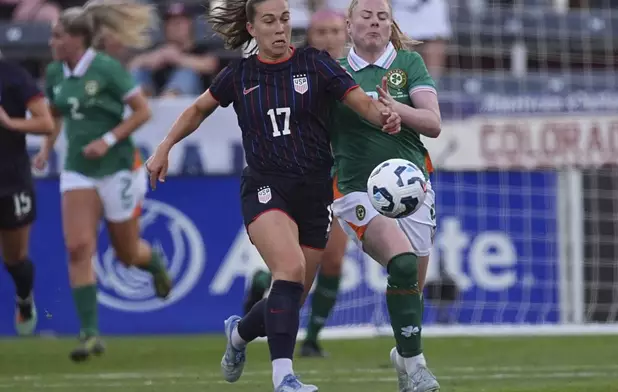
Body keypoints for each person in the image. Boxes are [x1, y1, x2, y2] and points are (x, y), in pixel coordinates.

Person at [145, 0, 401, 388]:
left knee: (290, 299)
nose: (280, 28)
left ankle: (238, 335)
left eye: (284, 19)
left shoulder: (315, 63)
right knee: (289, 271)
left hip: (315, 191)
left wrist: (386, 115)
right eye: (269, 21)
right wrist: (164, 147)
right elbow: (198, 109)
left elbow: (360, 102)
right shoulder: (239, 74)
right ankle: (284, 377)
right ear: (252, 29)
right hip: (266, 186)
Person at [34, 0, 173, 362]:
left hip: (118, 167)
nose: (52, 42)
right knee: (79, 247)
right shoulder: (54, 74)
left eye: (58, 35)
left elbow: (143, 111)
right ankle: (90, 333)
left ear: (78, 39)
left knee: (127, 254)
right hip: (78, 169)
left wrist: (108, 139)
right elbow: (56, 114)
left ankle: (152, 262)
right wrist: (47, 147)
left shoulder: (107, 69)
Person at [329, 0, 442, 390]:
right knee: (404, 264)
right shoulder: (336, 72)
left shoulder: (409, 64)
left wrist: (397, 109)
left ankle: (403, 355)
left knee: (412, 285)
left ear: (390, 24)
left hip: (411, 188)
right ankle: (416, 365)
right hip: (355, 189)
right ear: (349, 25)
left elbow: (433, 123)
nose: (375, 23)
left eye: (382, 17)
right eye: (367, 16)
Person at [241, 8, 350, 359]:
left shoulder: (356, 74)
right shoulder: (301, 69)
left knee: (333, 261)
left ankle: (313, 338)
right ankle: (264, 286)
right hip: (300, 178)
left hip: (342, 175)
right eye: (322, 32)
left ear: (347, 35)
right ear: (310, 37)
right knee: (297, 270)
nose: (330, 38)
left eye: (336, 31)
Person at [0, 59, 55, 336]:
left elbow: (46, 123)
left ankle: (24, 299)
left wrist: (9, 122)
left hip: (10, 182)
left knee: (15, 258)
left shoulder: (13, 76)